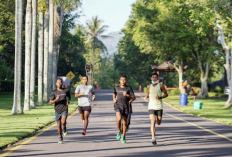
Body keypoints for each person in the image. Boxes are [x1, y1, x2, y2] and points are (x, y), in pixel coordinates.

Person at [145, 72, 168, 145]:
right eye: (153, 77)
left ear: (157, 79)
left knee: (158, 122)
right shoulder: (149, 86)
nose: (154, 78)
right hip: (151, 106)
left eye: (155, 77)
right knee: (153, 121)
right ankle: (153, 138)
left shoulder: (161, 86)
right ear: (151, 78)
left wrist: (160, 97)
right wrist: (146, 96)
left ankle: (154, 134)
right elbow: (149, 93)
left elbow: (166, 94)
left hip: (159, 107)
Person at [113, 75, 136, 143]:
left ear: (126, 81)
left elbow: (134, 98)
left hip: (126, 107)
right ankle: (119, 131)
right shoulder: (116, 88)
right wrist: (114, 99)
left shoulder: (129, 88)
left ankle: (123, 136)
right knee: (119, 118)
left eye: (124, 80)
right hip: (118, 106)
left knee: (124, 123)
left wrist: (128, 95)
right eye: (121, 80)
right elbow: (114, 93)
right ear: (119, 80)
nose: (123, 81)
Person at [49, 78, 71, 144]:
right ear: (56, 83)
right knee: (58, 125)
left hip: (64, 108)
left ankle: (64, 129)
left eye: (60, 82)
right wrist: (56, 99)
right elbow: (50, 102)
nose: (59, 84)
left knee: (63, 121)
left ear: (62, 83)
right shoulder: (54, 92)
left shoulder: (66, 90)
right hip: (57, 110)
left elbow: (69, 97)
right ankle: (60, 137)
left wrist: (68, 101)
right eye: (58, 82)